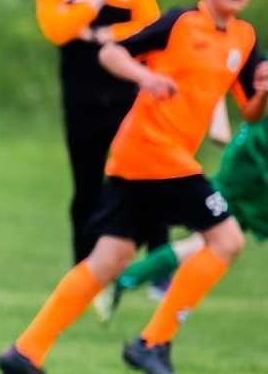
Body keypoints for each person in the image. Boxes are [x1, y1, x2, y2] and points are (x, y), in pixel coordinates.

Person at [0, 0, 266, 374]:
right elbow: (111, 52)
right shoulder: (181, 23)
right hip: (153, 150)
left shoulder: (243, 39)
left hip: (145, 160)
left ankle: (27, 351)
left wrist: (262, 93)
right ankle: (152, 343)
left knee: (110, 259)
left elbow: (252, 112)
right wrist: (146, 77)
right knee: (227, 238)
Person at [35, 0, 161, 263]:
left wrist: (103, 33)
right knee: (86, 188)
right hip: (82, 102)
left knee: (148, 179)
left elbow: (151, 30)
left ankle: (157, 265)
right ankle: (84, 270)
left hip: (128, 99)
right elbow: (57, 30)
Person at [101, 112, 268, 317]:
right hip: (247, 181)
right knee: (210, 239)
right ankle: (126, 286)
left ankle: (124, 281)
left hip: (246, 175)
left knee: (203, 244)